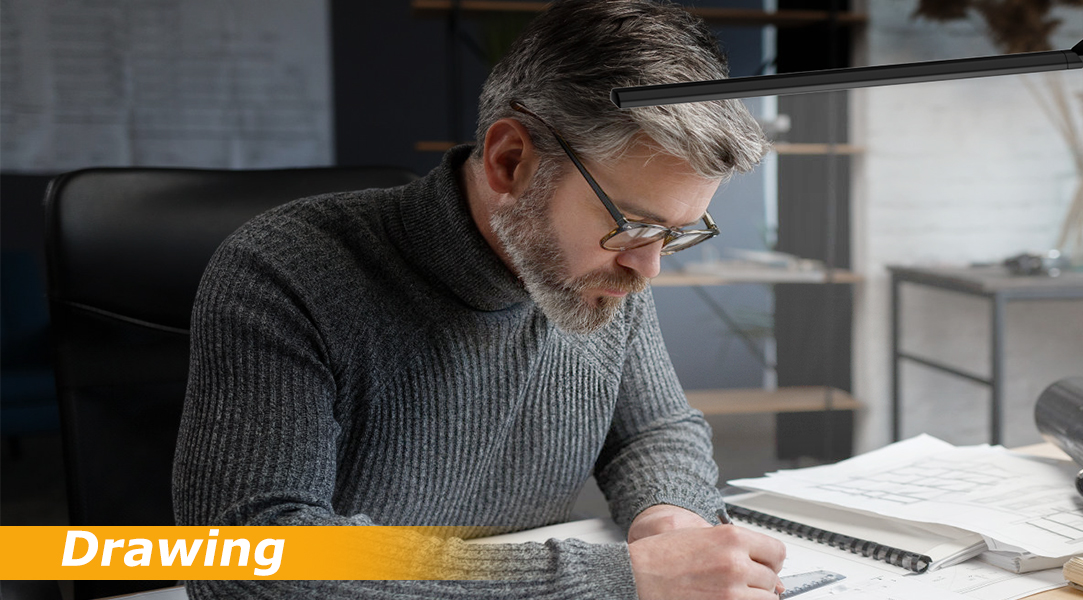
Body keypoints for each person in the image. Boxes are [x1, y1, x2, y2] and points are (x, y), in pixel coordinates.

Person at [171, 1, 787, 598]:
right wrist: (617, 581)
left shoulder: (603, 271)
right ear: (510, 161)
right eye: (632, 225)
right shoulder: (283, 270)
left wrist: (670, 524)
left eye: (673, 234)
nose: (648, 267)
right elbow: (253, 554)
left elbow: (653, 430)